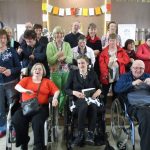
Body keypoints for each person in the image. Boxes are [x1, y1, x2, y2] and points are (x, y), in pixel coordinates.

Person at [12, 63, 59, 150]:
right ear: (32, 71)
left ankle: (38, 145)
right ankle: (24, 141)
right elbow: (17, 87)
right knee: (17, 118)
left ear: (43, 72)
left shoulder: (47, 81)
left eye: (40, 69)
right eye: (35, 69)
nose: (37, 70)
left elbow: (56, 91)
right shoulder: (26, 79)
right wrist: (25, 90)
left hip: (41, 108)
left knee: (37, 121)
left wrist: (55, 98)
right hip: (25, 107)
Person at [65, 55, 102, 146]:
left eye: (83, 63)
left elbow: (99, 87)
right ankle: (80, 134)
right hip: (77, 100)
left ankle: (90, 134)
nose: (81, 65)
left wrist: (98, 92)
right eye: (79, 63)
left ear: (87, 63)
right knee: (85, 103)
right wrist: (74, 92)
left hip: (91, 99)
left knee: (92, 105)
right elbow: (66, 89)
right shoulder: (73, 73)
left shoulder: (92, 73)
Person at [114, 60, 150, 150]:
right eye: (135, 68)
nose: (138, 70)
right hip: (134, 107)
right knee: (146, 118)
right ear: (131, 68)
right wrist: (132, 83)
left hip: (148, 104)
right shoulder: (125, 77)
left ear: (144, 69)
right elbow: (117, 89)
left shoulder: (147, 76)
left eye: (141, 68)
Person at [46, 26, 73, 114]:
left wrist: (64, 58)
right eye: (57, 33)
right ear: (54, 35)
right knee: (56, 92)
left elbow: (70, 59)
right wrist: (58, 56)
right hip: (54, 72)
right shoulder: (50, 45)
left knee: (65, 91)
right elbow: (50, 60)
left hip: (66, 71)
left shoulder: (67, 44)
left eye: (61, 33)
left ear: (63, 35)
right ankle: (55, 110)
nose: (59, 35)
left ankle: (61, 109)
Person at [0, 29, 21, 137]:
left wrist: (10, 71)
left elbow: (19, 67)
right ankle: (2, 128)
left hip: (11, 82)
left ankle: (14, 127)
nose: (2, 40)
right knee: (0, 108)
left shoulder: (11, 50)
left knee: (13, 106)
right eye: (0, 38)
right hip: (0, 85)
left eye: (4, 38)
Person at [99, 33, 130, 105]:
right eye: (111, 40)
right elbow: (102, 64)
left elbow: (127, 60)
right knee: (104, 92)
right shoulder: (104, 52)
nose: (112, 42)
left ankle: (115, 107)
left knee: (116, 92)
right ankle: (103, 107)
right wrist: (105, 73)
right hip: (107, 75)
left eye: (114, 41)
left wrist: (118, 59)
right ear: (108, 41)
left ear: (117, 41)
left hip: (118, 74)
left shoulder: (121, 50)